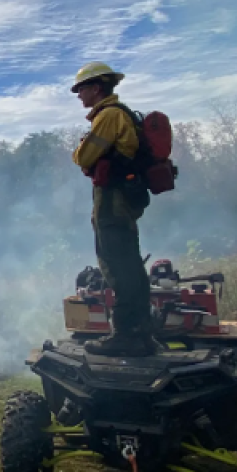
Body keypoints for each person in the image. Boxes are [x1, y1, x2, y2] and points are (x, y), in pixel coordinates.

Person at [70, 62, 164, 357]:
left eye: (81, 89)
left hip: (113, 199)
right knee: (130, 263)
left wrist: (81, 149)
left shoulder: (109, 115)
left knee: (116, 263)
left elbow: (83, 157)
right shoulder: (119, 114)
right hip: (122, 197)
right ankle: (142, 332)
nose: (78, 95)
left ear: (96, 88)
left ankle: (126, 334)